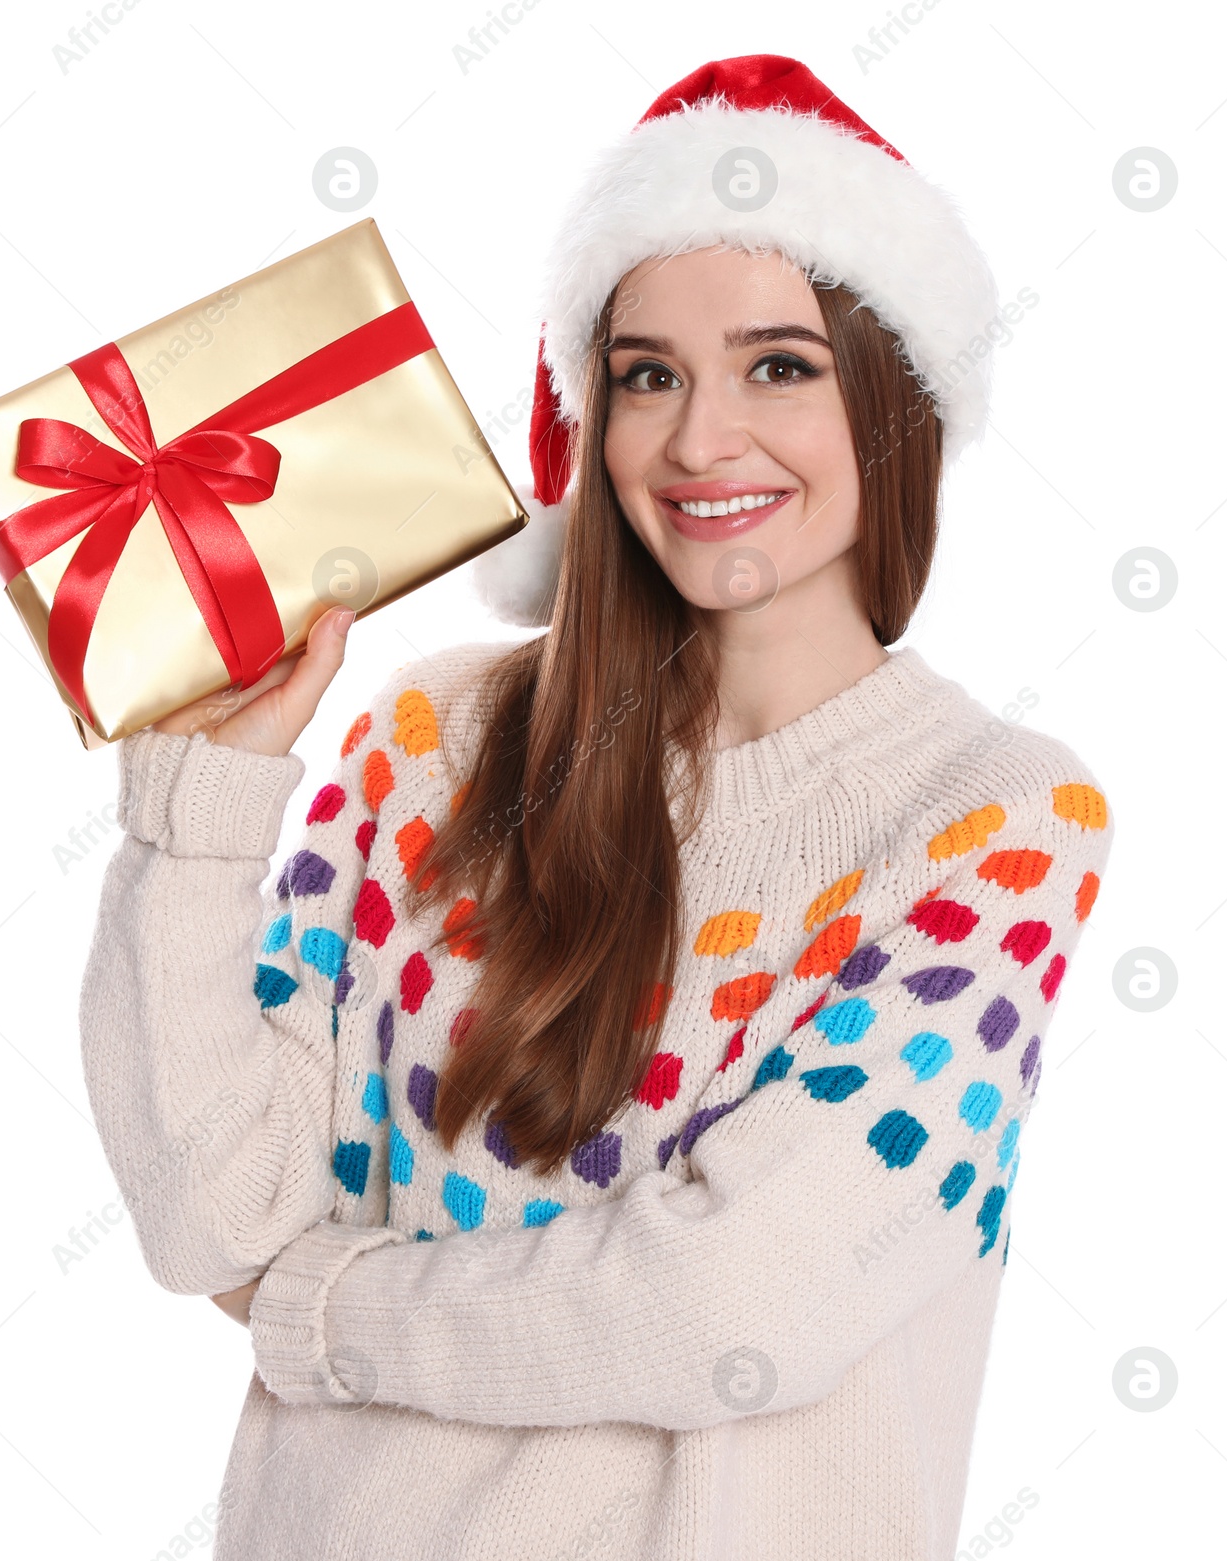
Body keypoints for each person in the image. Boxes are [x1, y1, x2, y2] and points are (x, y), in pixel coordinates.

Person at [79, 54, 1115, 1561]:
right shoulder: (431, 738)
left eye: (780, 364)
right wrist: (204, 799)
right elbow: (210, 1214)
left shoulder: (998, 818)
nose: (702, 441)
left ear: (893, 402)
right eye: (647, 373)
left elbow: (731, 1303)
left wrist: (323, 1305)